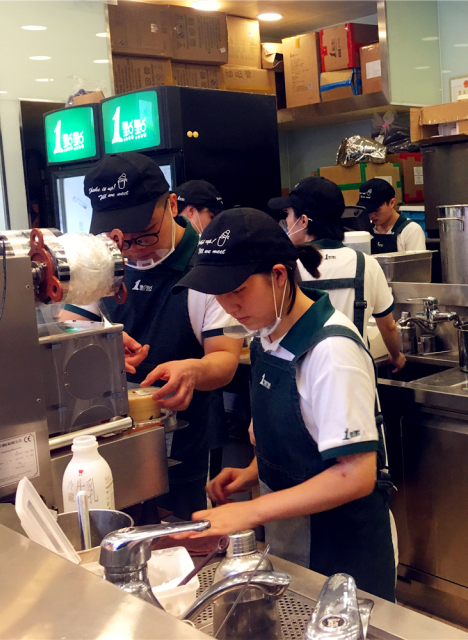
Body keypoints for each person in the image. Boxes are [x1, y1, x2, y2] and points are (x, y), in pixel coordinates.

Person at [174, 208, 396, 601]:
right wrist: (253, 472)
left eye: (238, 290)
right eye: (219, 294)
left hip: (343, 552)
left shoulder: (331, 351)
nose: (228, 305)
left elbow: (356, 473)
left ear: (279, 276)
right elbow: (306, 439)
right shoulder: (266, 336)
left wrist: (250, 511)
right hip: (293, 543)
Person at [62, 152, 243, 519]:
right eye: (118, 238)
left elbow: (225, 358)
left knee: (181, 529)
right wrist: (100, 343)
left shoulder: (207, 266)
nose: (131, 248)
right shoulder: (104, 264)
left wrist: (191, 371)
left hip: (186, 432)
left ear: (172, 205)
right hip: (111, 429)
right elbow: (69, 329)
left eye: (143, 233)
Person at [269, 177, 406, 372]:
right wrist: (396, 356)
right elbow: (388, 326)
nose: (287, 222)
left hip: (302, 376)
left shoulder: (285, 268)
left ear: (304, 221)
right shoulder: (366, 264)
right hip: (355, 374)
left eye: (288, 214)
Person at [356, 178, 426, 254]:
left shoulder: (411, 231)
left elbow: (417, 261)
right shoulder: (365, 230)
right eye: (368, 210)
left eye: (376, 210)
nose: (372, 215)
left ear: (392, 203)